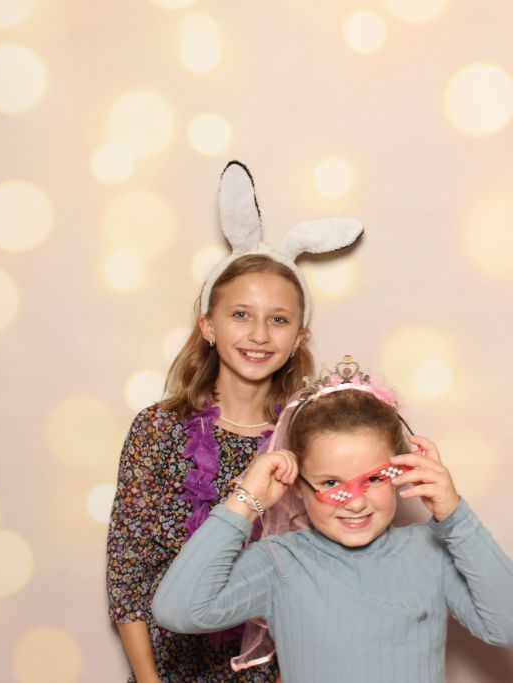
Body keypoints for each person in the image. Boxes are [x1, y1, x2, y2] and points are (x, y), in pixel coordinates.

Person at [106, 161, 363, 683]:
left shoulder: (310, 439)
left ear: (298, 339)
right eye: (241, 314)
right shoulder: (158, 430)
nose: (259, 335)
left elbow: (327, 573)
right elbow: (128, 576)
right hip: (170, 671)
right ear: (208, 325)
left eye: (279, 319)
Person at [152, 357, 513, 683]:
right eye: (331, 483)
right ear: (298, 485)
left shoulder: (430, 553)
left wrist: (455, 516)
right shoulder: (279, 563)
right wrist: (245, 501)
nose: (355, 503)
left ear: (402, 471)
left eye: (374, 479)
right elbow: (177, 610)